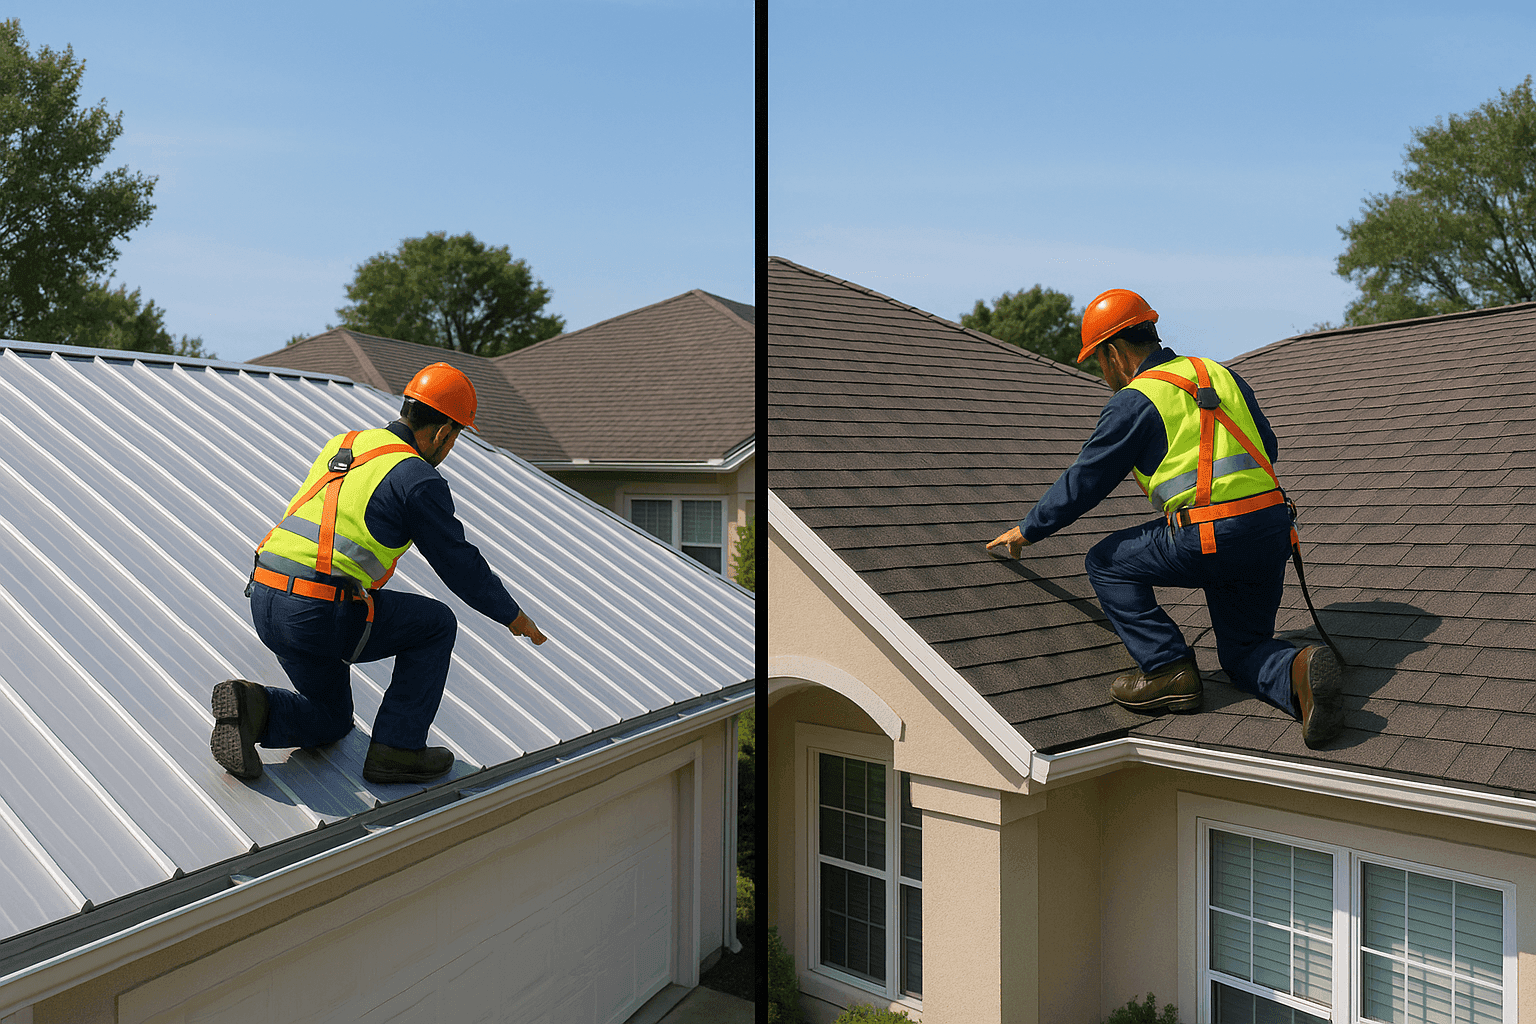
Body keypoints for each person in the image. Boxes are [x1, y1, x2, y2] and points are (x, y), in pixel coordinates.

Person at [987, 289, 1344, 749]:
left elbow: (1086, 480)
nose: (1102, 371)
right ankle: (1300, 670)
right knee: (1242, 653)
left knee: (1106, 562)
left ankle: (1167, 669)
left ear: (1113, 353)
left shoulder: (1135, 400)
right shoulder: (1219, 374)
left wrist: (1028, 529)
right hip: (1271, 530)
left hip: (1211, 536)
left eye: (1098, 359)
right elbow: (1267, 449)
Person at [212, 362, 549, 784]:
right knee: (436, 624)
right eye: (455, 438)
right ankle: (398, 749)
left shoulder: (344, 444)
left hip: (264, 598)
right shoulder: (417, 477)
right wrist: (512, 616)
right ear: (443, 432)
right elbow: (458, 563)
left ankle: (250, 708)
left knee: (332, 719)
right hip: (318, 612)